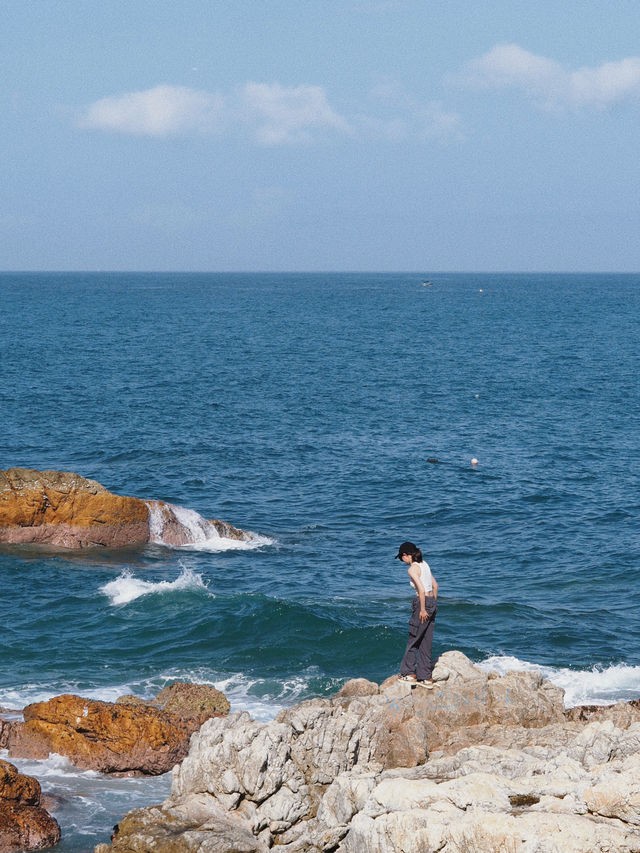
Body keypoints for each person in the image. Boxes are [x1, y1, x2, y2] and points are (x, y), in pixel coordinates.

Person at [395, 541, 438, 688]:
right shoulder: (425, 564)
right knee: (426, 642)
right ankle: (425, 678)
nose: (402, 561)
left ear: (406, 555)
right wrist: (433, 605)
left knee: (413, 639)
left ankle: (408, 673)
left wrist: (423, 609)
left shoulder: (413, 569)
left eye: (401, 558)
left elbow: (420, 589)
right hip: (432, 602)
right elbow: (435, 586)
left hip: (423, 603)